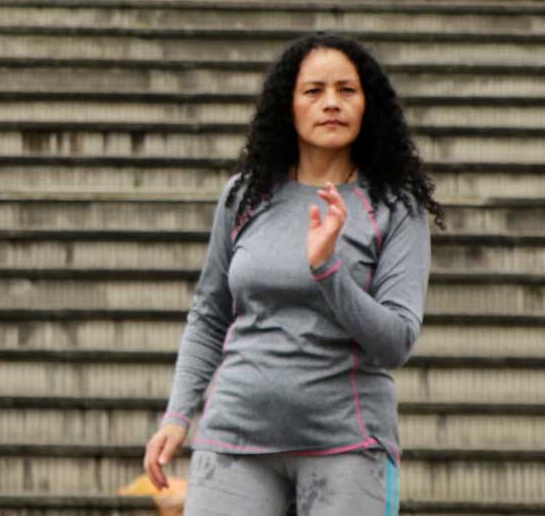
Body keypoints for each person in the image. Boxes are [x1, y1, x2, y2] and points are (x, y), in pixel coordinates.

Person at [142, 33, 445, 516]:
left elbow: (396, 342)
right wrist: (178, 414)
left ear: (369, 106)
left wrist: (329, 272)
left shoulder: (394, 206)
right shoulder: (245, 195)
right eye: (314, 91)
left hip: (347, 442)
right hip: (234, 438)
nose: (331, 103)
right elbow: (209, 314)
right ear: (289, 106)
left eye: (347, 91)